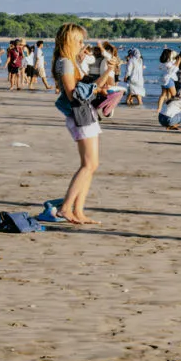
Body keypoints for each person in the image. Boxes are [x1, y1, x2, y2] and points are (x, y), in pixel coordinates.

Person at [52, 23, 118, 224]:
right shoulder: (65, 63)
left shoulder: (71, 62)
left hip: (85, 113)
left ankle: (78, 210)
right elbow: (74, 95)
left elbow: (86, 88)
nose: (83, 45)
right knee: (89, 164)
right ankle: (65, 208)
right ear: (70, 41)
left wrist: (107, 73)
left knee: (90, 164)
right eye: (79, 41)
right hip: (79, 114)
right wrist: (98, 85)